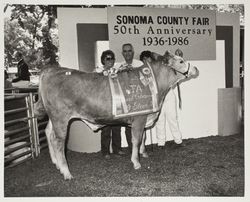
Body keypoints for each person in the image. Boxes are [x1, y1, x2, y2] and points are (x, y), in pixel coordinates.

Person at [98, 50, 125, 159]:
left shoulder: (117, 71)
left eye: (112, 58)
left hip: (116, 102)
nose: (110, 61)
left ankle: (117, 149)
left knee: (117, 127)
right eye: (108, 58)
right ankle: (105, 151)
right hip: (103, 103)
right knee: (106, 128)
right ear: (103, 60)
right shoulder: (97, 72)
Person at [155, 49, 184, 149]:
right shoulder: (157, 70)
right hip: (159, 95)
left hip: (169, 94)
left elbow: (178, 74)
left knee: (172, 118)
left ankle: (178, 140)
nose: (166, 61)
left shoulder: (172, 68)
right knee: (160, 119)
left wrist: (179, 57)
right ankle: (160, 143)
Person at [117, 43, 143, 153]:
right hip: (125, 99)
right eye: (125, 51)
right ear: (123, 53)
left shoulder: (140, 64)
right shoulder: (119, 66)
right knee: (128, 124)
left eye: (129, 51)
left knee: (138, 124)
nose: (127, 53)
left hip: (139, 100)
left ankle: (138, 148)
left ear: (133, 52)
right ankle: (131, 148)